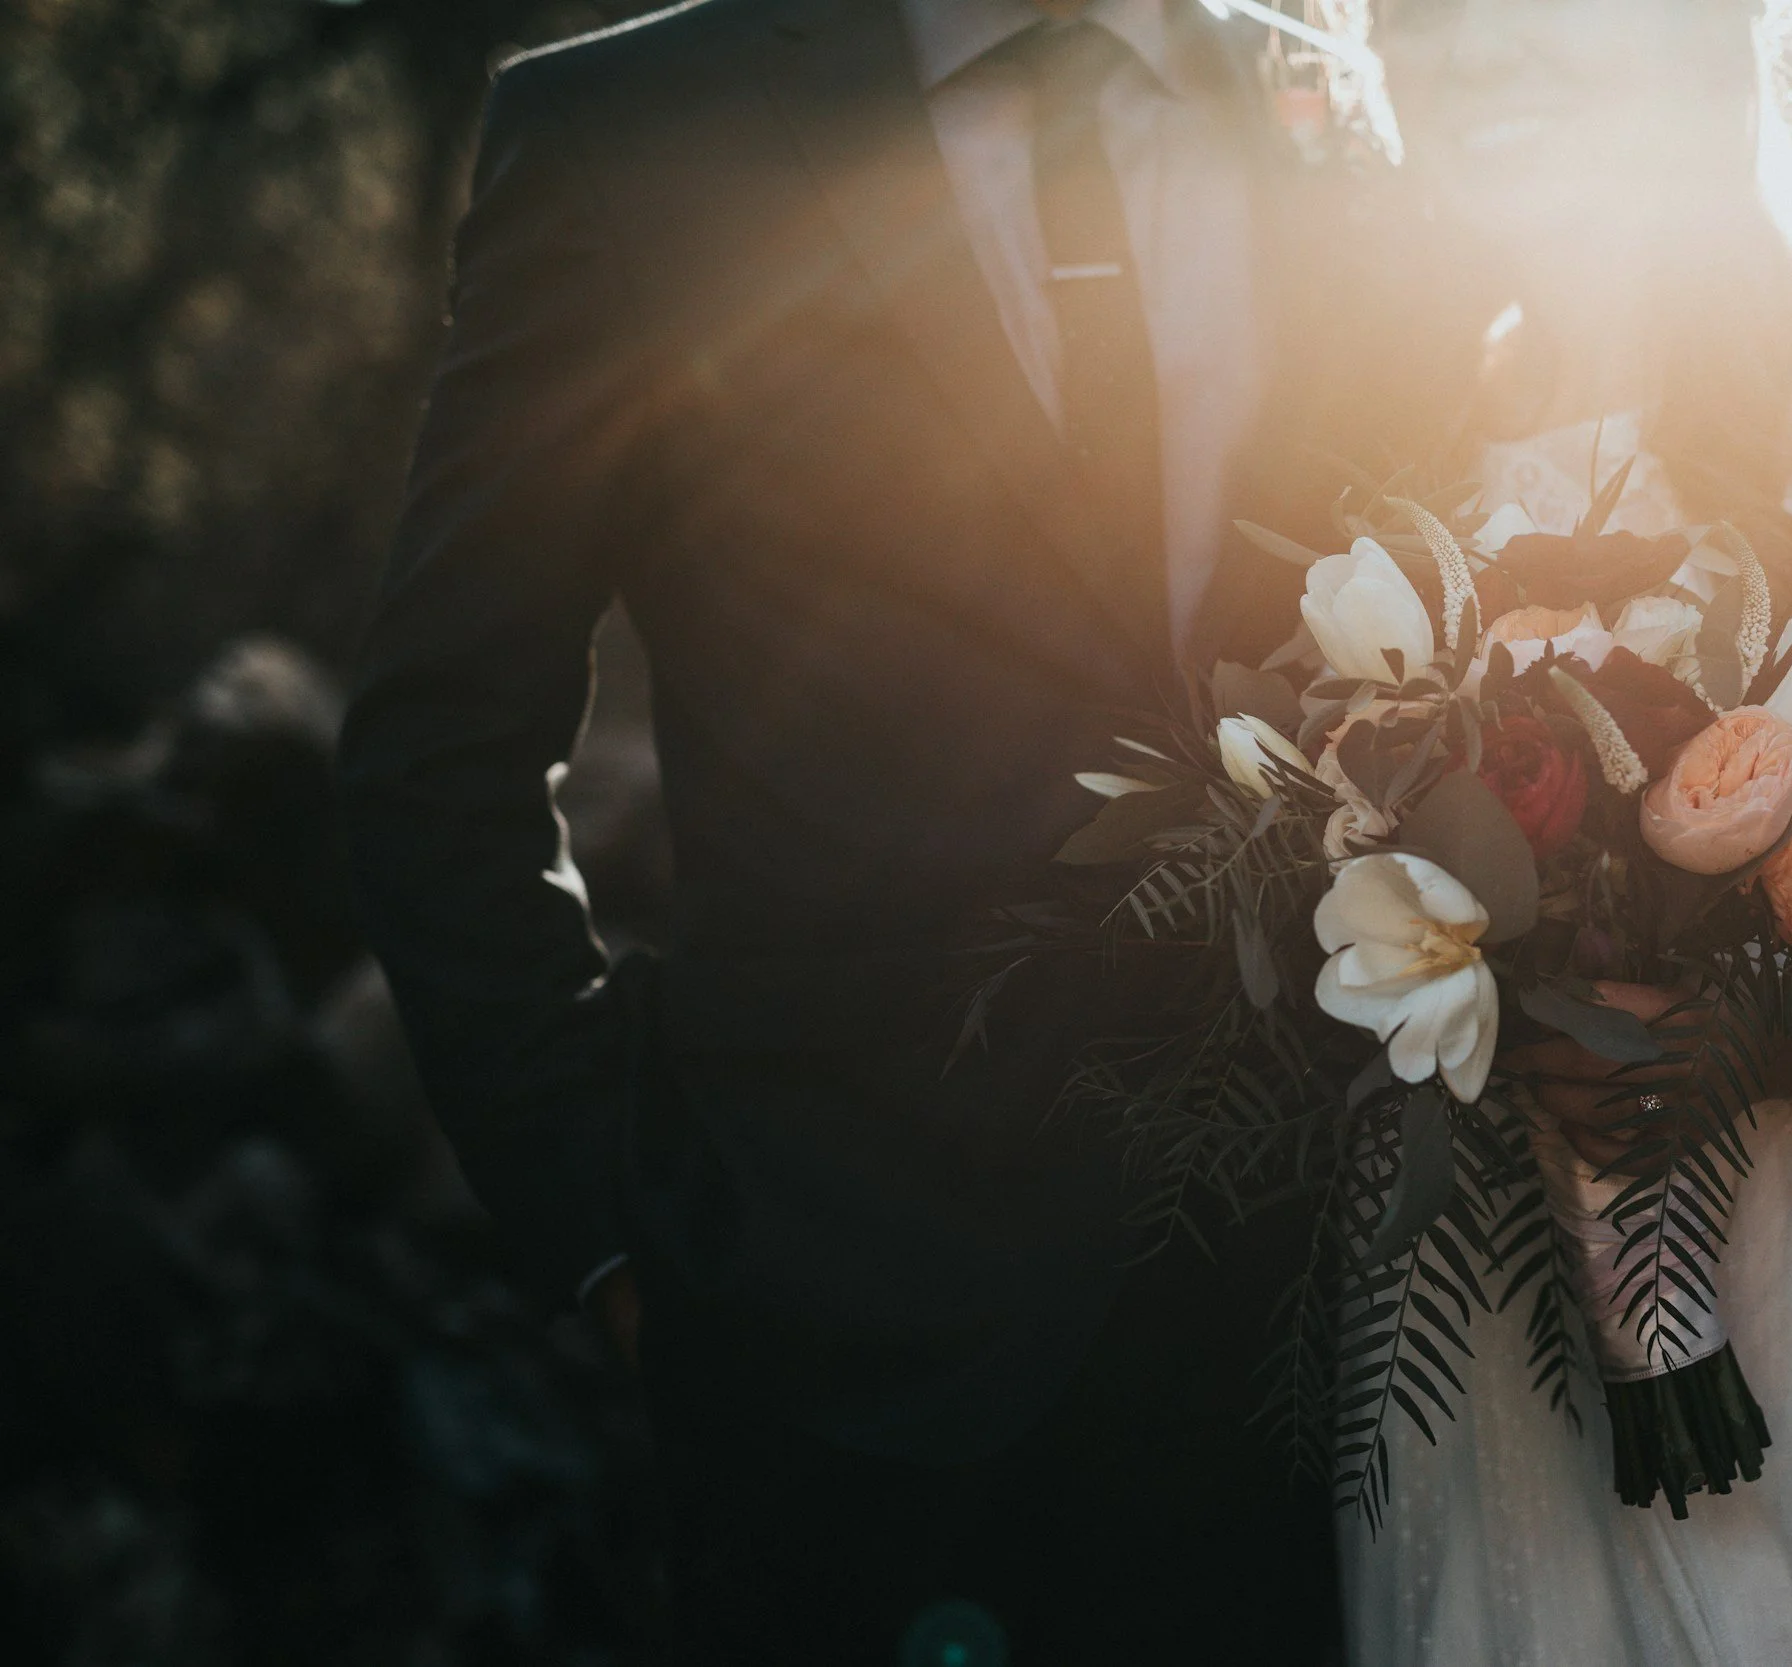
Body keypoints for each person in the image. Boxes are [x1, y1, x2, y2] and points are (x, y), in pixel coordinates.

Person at [334, 0, 1359, 1659]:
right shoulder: (631, 136)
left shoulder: (1321, 105)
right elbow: (437, 741)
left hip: (1311, 1331)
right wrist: (613, 1225)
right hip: (832, 1340)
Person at [1339, 0, 1792, 1661]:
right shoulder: (1379, 449)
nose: (1471, 44)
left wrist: (1722, 1030)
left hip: (1786, 1281)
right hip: (1459, 1329)